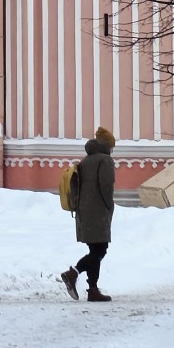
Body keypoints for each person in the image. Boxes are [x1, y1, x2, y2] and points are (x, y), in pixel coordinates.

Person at [60, 128, 117, 302]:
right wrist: (109, 206)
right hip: (98, 210)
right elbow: (106, 186)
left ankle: (92, 289)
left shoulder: (86, 160)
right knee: (100, 249)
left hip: (84, 211)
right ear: (107, 145)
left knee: (95, 249)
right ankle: (73, 273)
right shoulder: (105, 160)